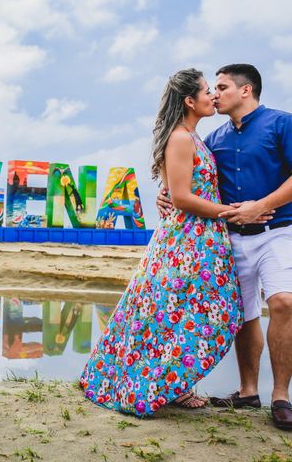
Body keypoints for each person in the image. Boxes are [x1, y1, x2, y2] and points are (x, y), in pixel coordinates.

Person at [80, 68, 254, 416]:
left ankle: (174, 381)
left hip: (200, 240)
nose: (213, 96)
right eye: (207, 91)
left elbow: (177, 191)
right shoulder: (180, 138)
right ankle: (171, 384)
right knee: (175, 313)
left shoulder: (194, 137)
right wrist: (231, 212)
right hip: (185, 243)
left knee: (181, 313)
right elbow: (182, 198)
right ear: (190, 101)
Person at [157, 64, 292, 429]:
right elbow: (188, 178)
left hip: (278, 230)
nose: (215, 94)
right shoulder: (211, 139)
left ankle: (281, 397)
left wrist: (261, 207)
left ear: (245, 90)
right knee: (245, 315)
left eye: (222, 86)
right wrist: (165, 194)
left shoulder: (282, 123)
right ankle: (248, 392)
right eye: (211, 88)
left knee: (283, 302)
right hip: (229, 238)